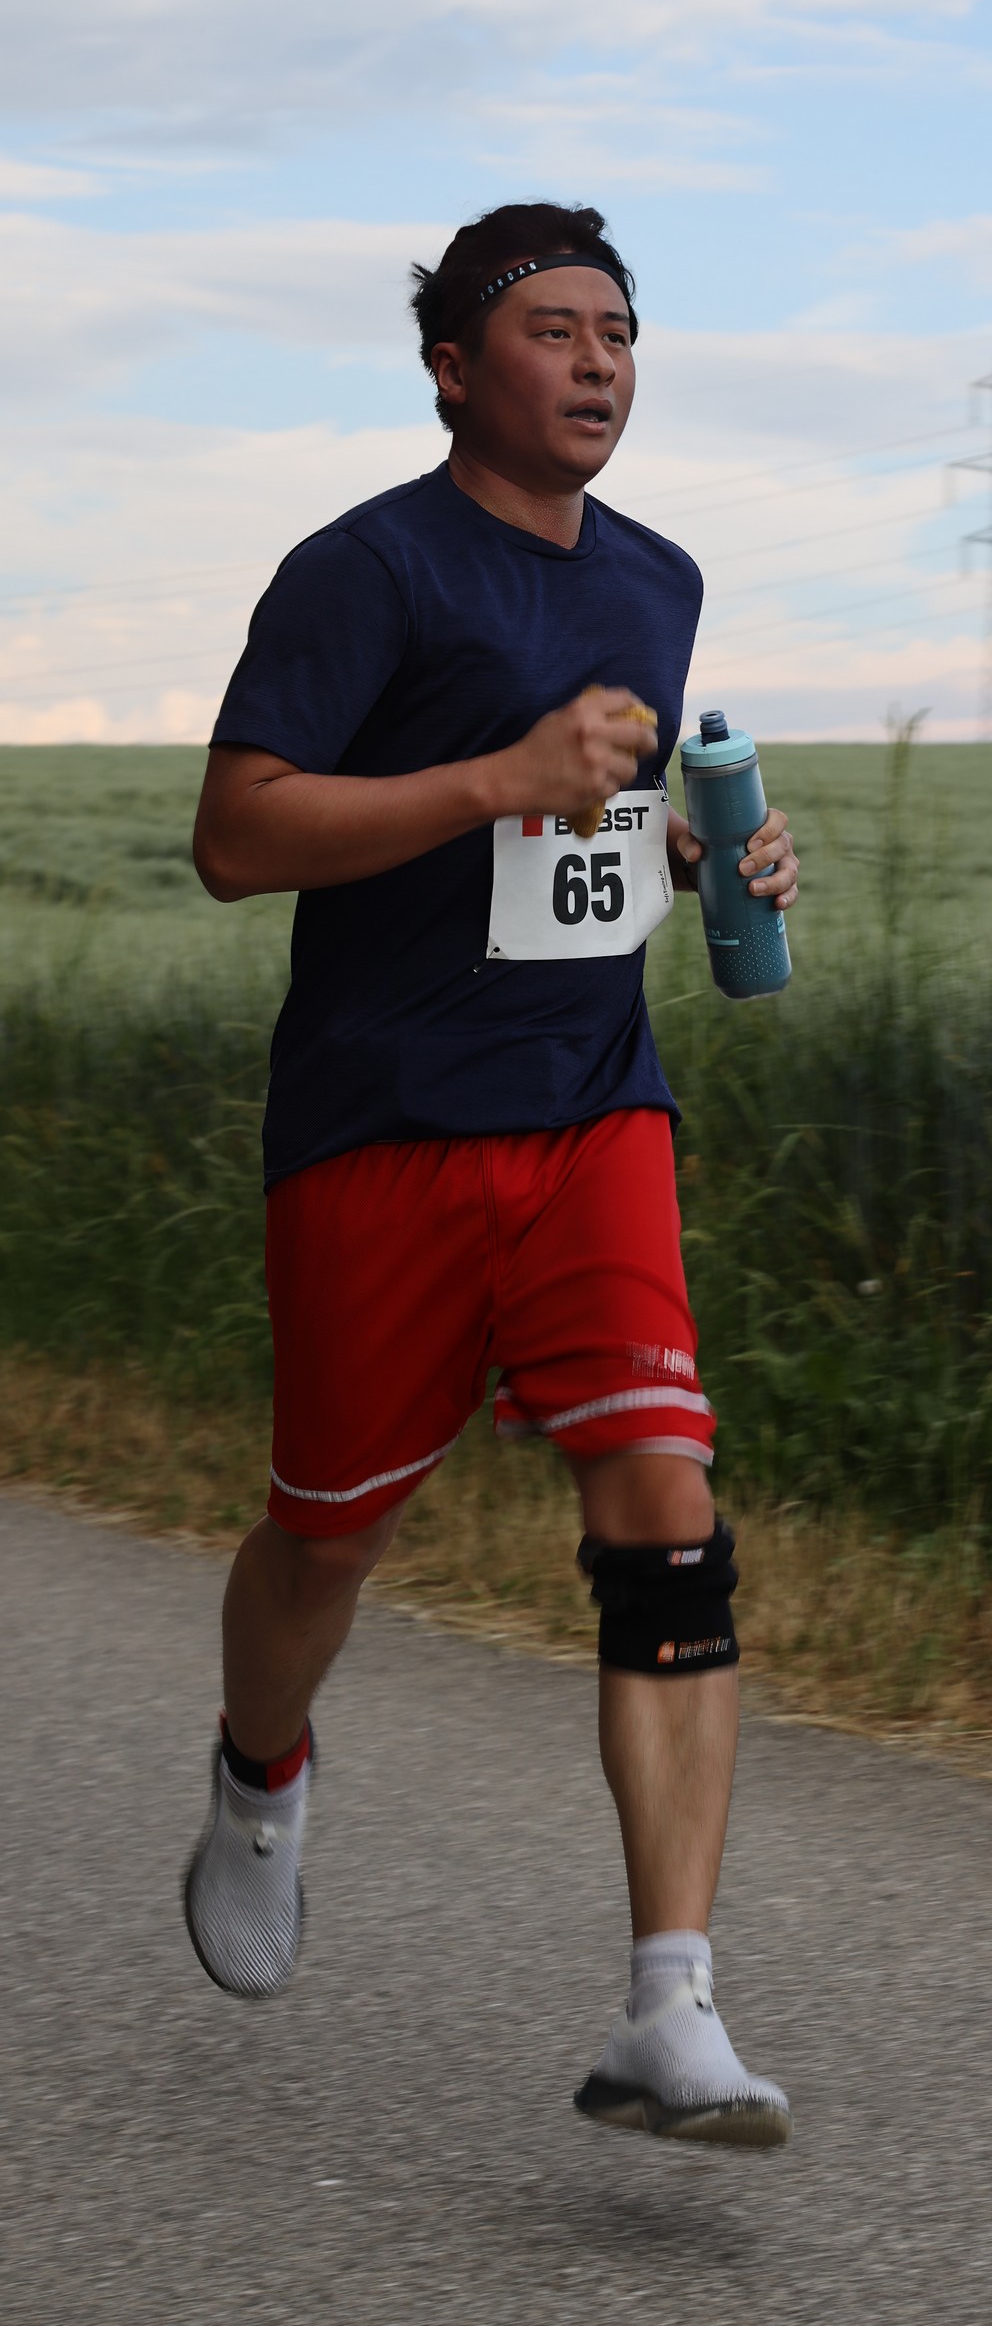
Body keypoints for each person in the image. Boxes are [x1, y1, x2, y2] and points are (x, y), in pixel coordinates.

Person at [182, 201, 799, 2150]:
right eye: (554, 329)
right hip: (378, 1123)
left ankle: (671, 2008)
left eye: (621, 329)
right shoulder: (363, 570)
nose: (600, 359)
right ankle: (260, 1774)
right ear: (453, 368)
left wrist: (700, 854)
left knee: (666, 1505)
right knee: (324, 1541)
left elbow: (600, 819)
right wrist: (496, 781)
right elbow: (235, 835)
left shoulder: (658, 578)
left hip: (591, 1105)